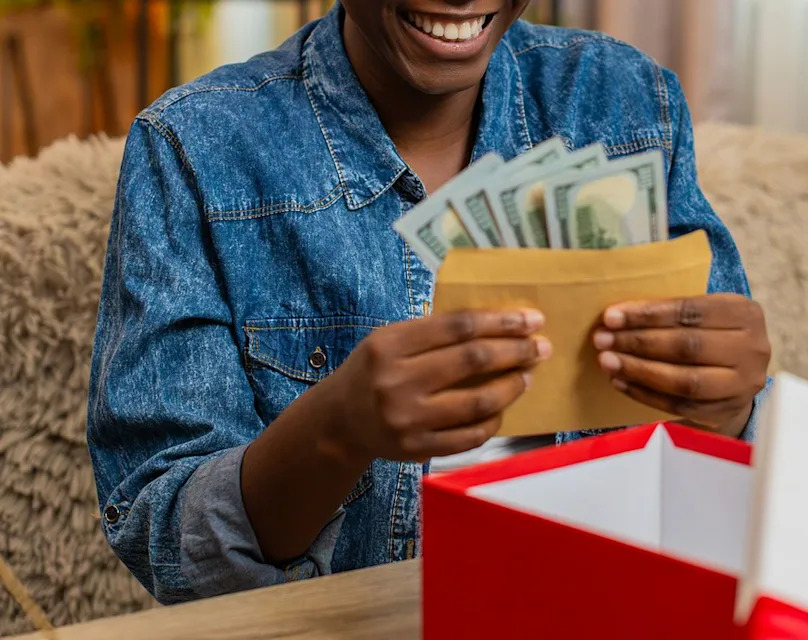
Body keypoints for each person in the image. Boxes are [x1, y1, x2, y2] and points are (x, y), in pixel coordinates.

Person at [87, 0, 772, 604]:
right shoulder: (194, 149)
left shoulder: (627, 102)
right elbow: (163, 537)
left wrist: (736, 413)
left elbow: (718, 486)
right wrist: (337, 429)